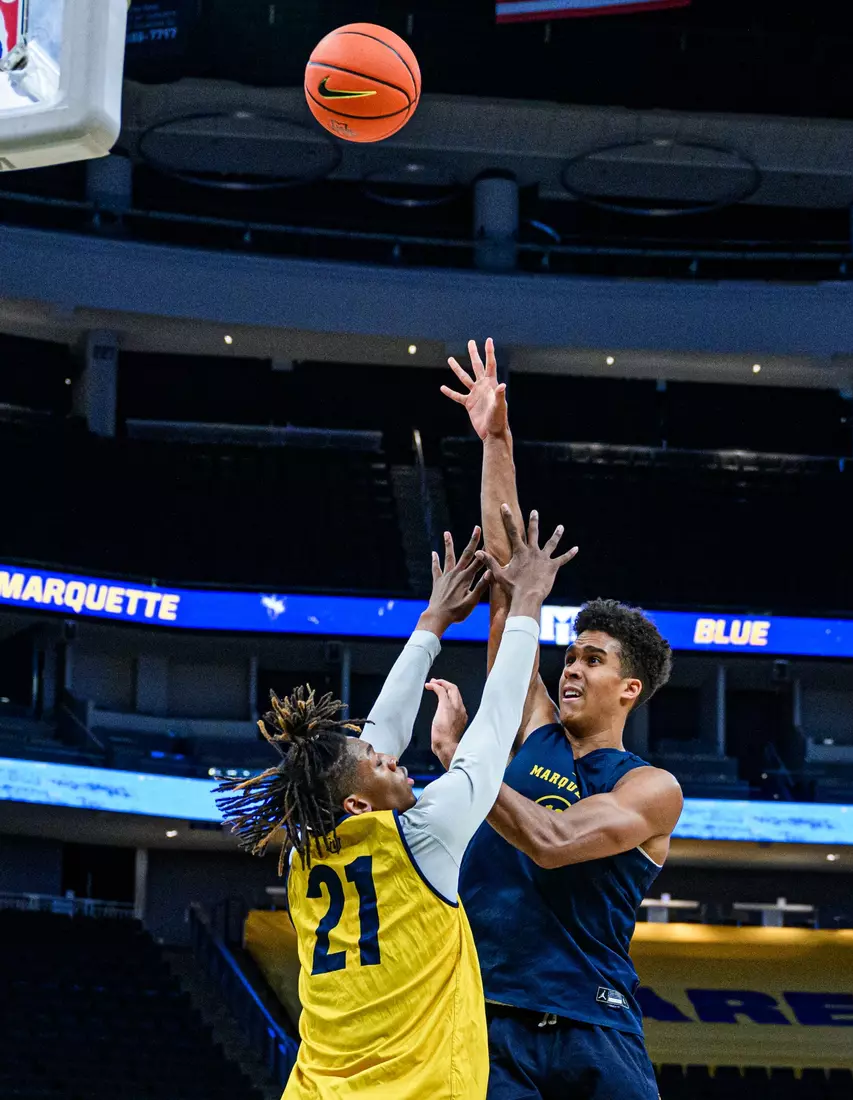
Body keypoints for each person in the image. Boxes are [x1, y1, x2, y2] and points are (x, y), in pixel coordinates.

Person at [215, 518, 577, 1100]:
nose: (391, 758)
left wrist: (433, 622)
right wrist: (529, 601)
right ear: (357, 802)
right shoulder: (424, 836)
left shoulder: (312, 845)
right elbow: (497, 718)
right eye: (379, 762)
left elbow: (378, 732)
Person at [436, 339, 683, 1100]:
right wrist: (497, 441)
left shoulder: (651, 790)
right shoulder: (531, 724)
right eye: (569, 656)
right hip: (490, 1026)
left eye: (592, 661)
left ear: (630, 690)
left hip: (595, 1032)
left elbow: (550, 842)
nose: (570, 668)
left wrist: (461, 771)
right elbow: (511, 577)